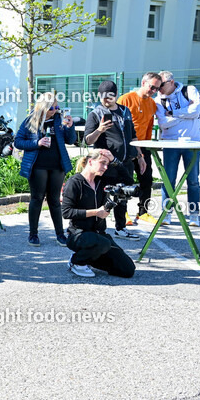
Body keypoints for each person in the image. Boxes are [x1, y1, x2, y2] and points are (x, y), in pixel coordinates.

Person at [61, 149, 137, 278]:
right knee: (103, 243)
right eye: (102, 163)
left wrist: (114, 160)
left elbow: (128, 181)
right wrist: (96, 212)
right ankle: (76, 261)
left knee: (127, 269)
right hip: (78, 234)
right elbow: (66, 212)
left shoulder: (102, 181)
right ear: (90, 162)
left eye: (107, 164)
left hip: (99, 234)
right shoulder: (74, 182)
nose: (106, 167)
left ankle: (88, 257)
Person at [14, 92, 77, 247]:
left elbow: (71, 140)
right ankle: (33, 234)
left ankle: (60, 234)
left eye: (56, 107)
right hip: (38, 166)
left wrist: (70, 127)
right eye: (51, 108)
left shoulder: (59, 119)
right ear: (42, 107)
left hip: (57, 165)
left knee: (54, 200)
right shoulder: (30, 120)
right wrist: (37, 143)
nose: (54, 110)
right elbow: (18, 142)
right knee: (37, 198)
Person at [84, 80, 143, 240]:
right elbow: (88, 140)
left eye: (109, 97)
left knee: (122, 196)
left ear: (116, 95)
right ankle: (97, 230)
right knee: (103, 197)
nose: (106, 100)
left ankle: (121, 228)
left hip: (126, 163)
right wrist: (99, 130)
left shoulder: (125, 111)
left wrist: (140, 156)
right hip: (106, 165)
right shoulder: (95, 114)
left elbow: (133, 135)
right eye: (103, 97)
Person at [156, 71, 200, 226]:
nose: (159, 89)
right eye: (157, 86)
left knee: (193, 180)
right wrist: (185, 115)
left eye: (161, 85)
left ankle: (194, 215)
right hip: (170, 143)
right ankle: (167, 214)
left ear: (171, 82)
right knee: (168, 180)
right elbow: (163, 123)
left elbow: (196, 111)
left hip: (192, 143)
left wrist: (173, 113)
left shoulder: (189, 90)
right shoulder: (159, 99)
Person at [118, 72, 162, 224]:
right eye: (152, 87)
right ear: (143, 83)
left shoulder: (152, 104)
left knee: (146, 179)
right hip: (127, 146)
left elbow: (149, 127)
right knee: (126, 180)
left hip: (143, 146)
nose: (153, 91)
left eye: (157, 89)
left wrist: (145, 148)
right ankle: (122, 212)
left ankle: (143, 212)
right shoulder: (125, 99)